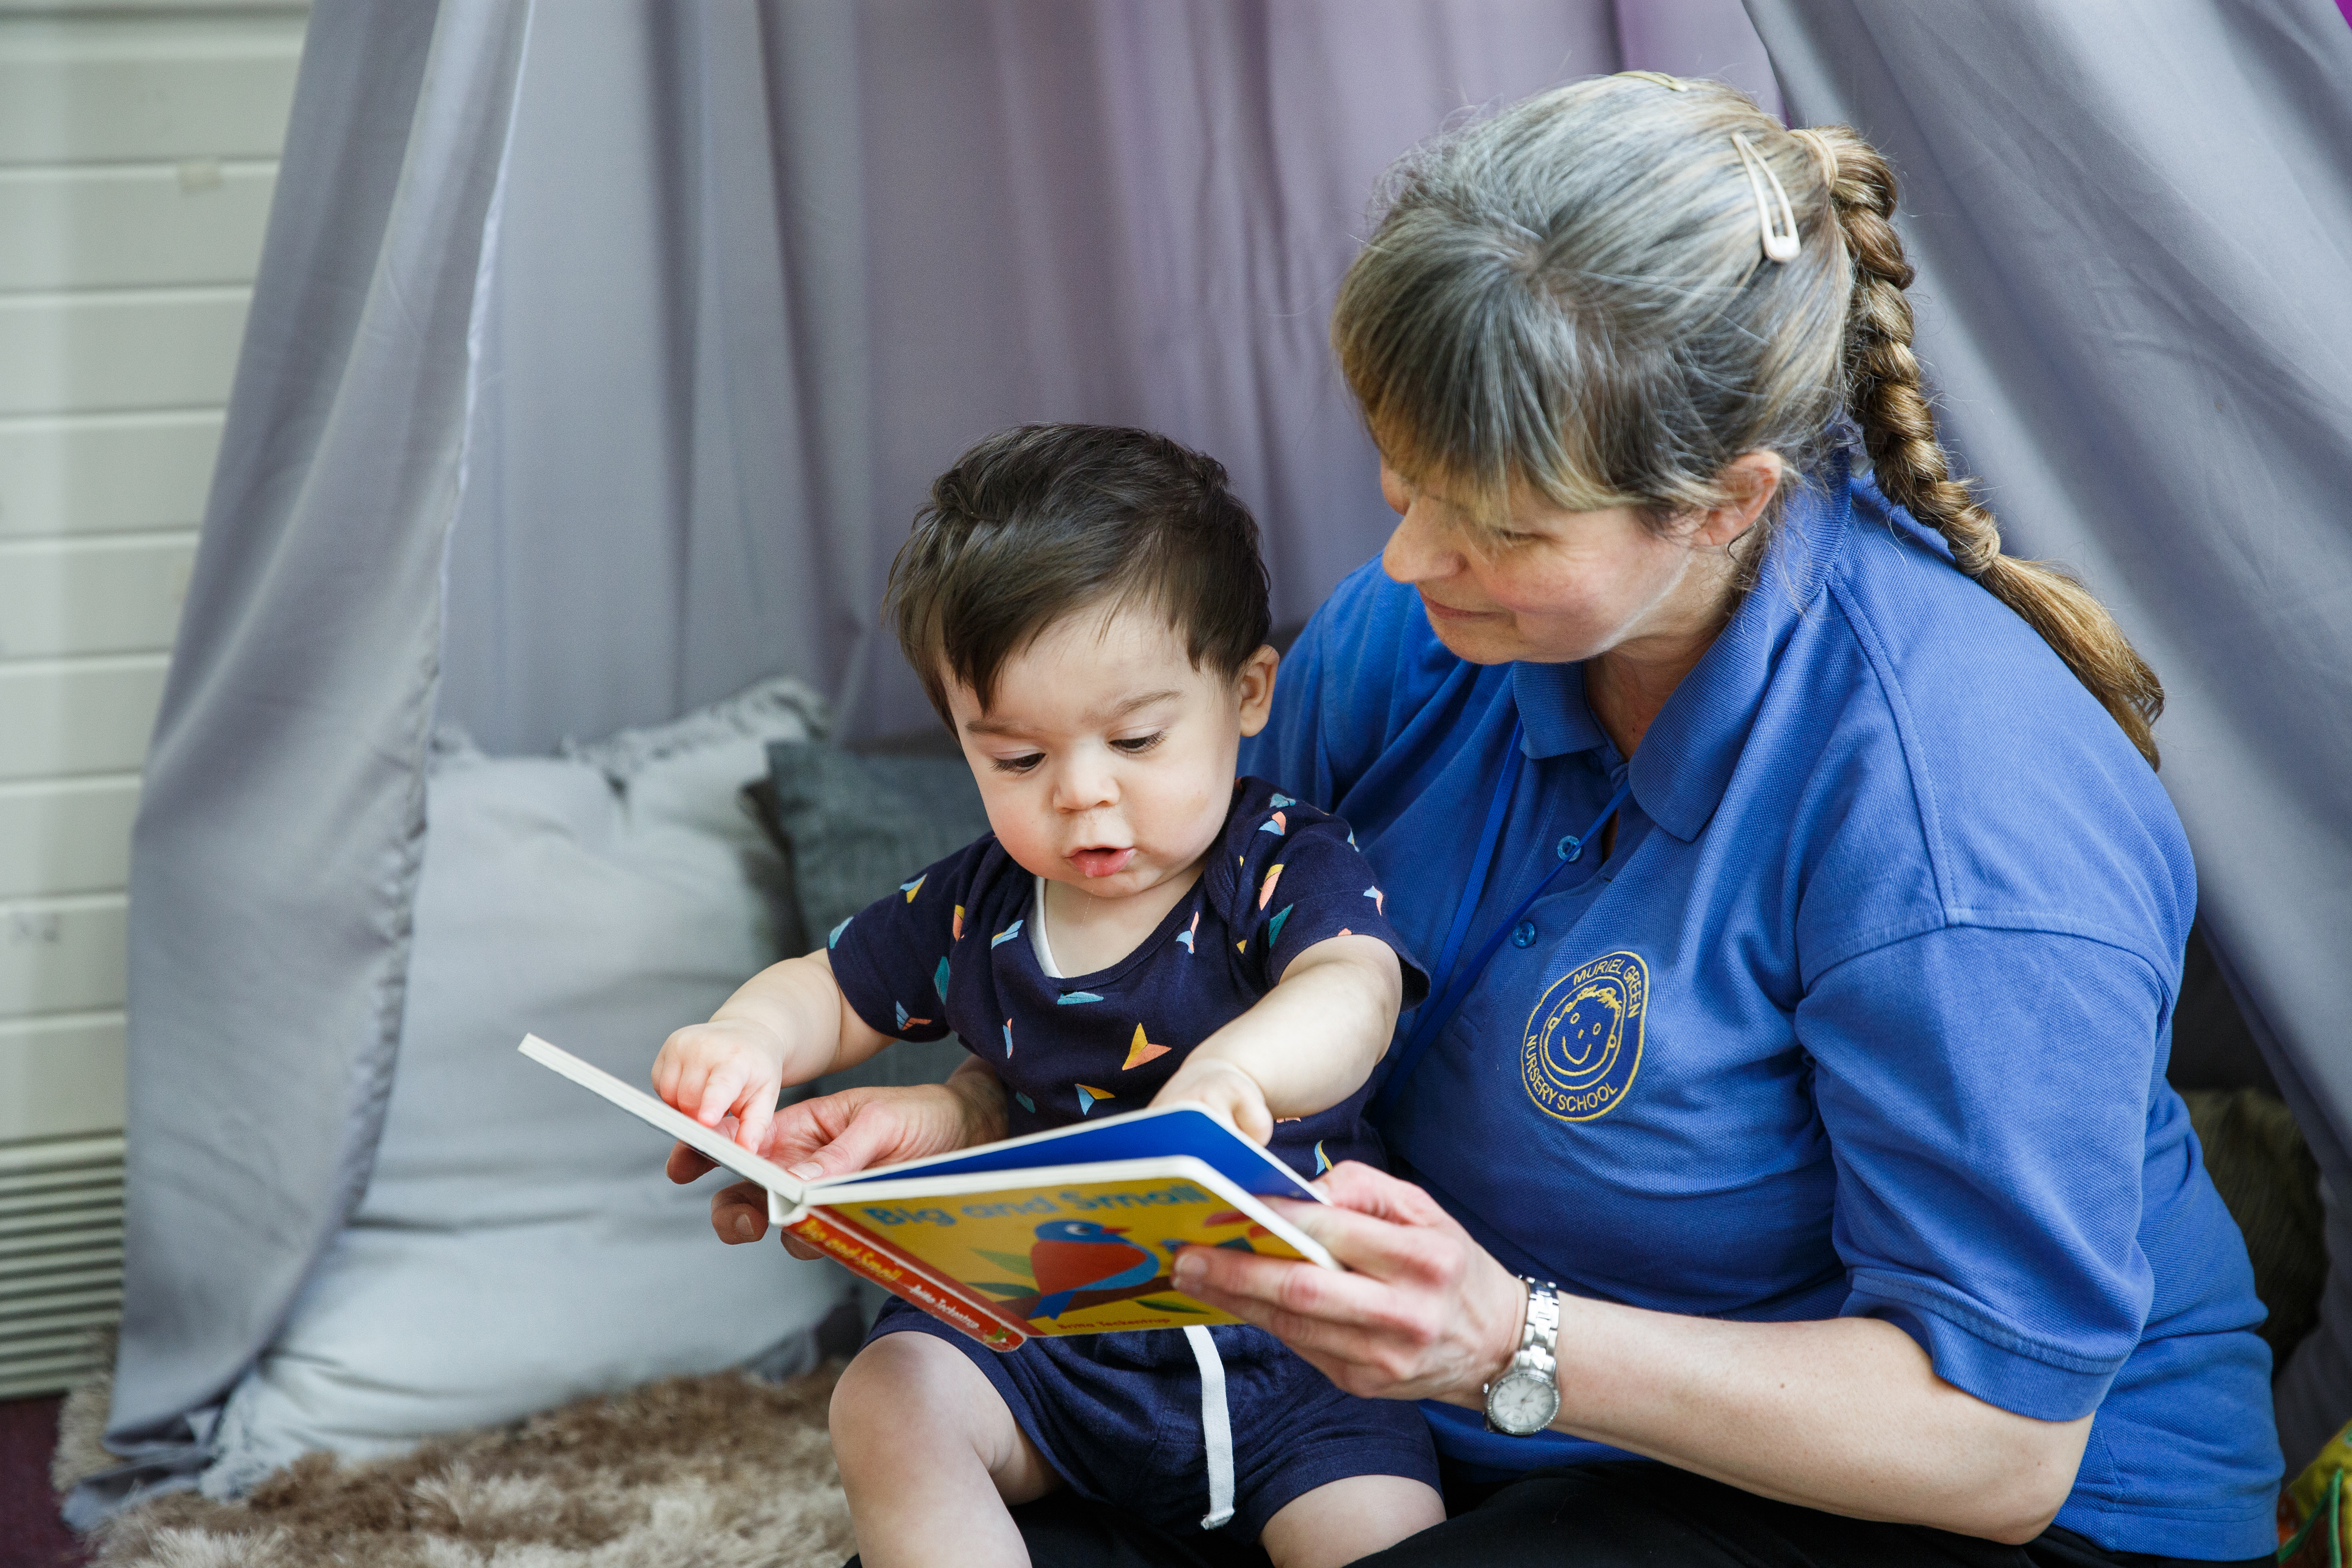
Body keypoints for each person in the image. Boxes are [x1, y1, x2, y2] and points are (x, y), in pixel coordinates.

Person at [673, 76, 2283, 1567]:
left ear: (1727, 502)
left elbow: (1997, 1443)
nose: (1412, 559)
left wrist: (1513, 1338)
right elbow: (1184, 957)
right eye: (1400, 478)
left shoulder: (1958, 811)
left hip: (1981, 1511)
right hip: (1477, 1419)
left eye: (1499, 521)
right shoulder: (1430, 637)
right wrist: (956, 1125)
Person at [652, 424, 1445, 1568]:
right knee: (887, 1391)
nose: (1081, 795)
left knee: (1387, 1535)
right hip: (1044, 1333)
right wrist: (743, 1040)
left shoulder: (1276, 858)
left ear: (1247, 692)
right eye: (1017, 760)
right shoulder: (977, 904)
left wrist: (1235, 1072)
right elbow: (828, 990)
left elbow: (1353, 987)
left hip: (1298, 1351)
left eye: (1135, 739)